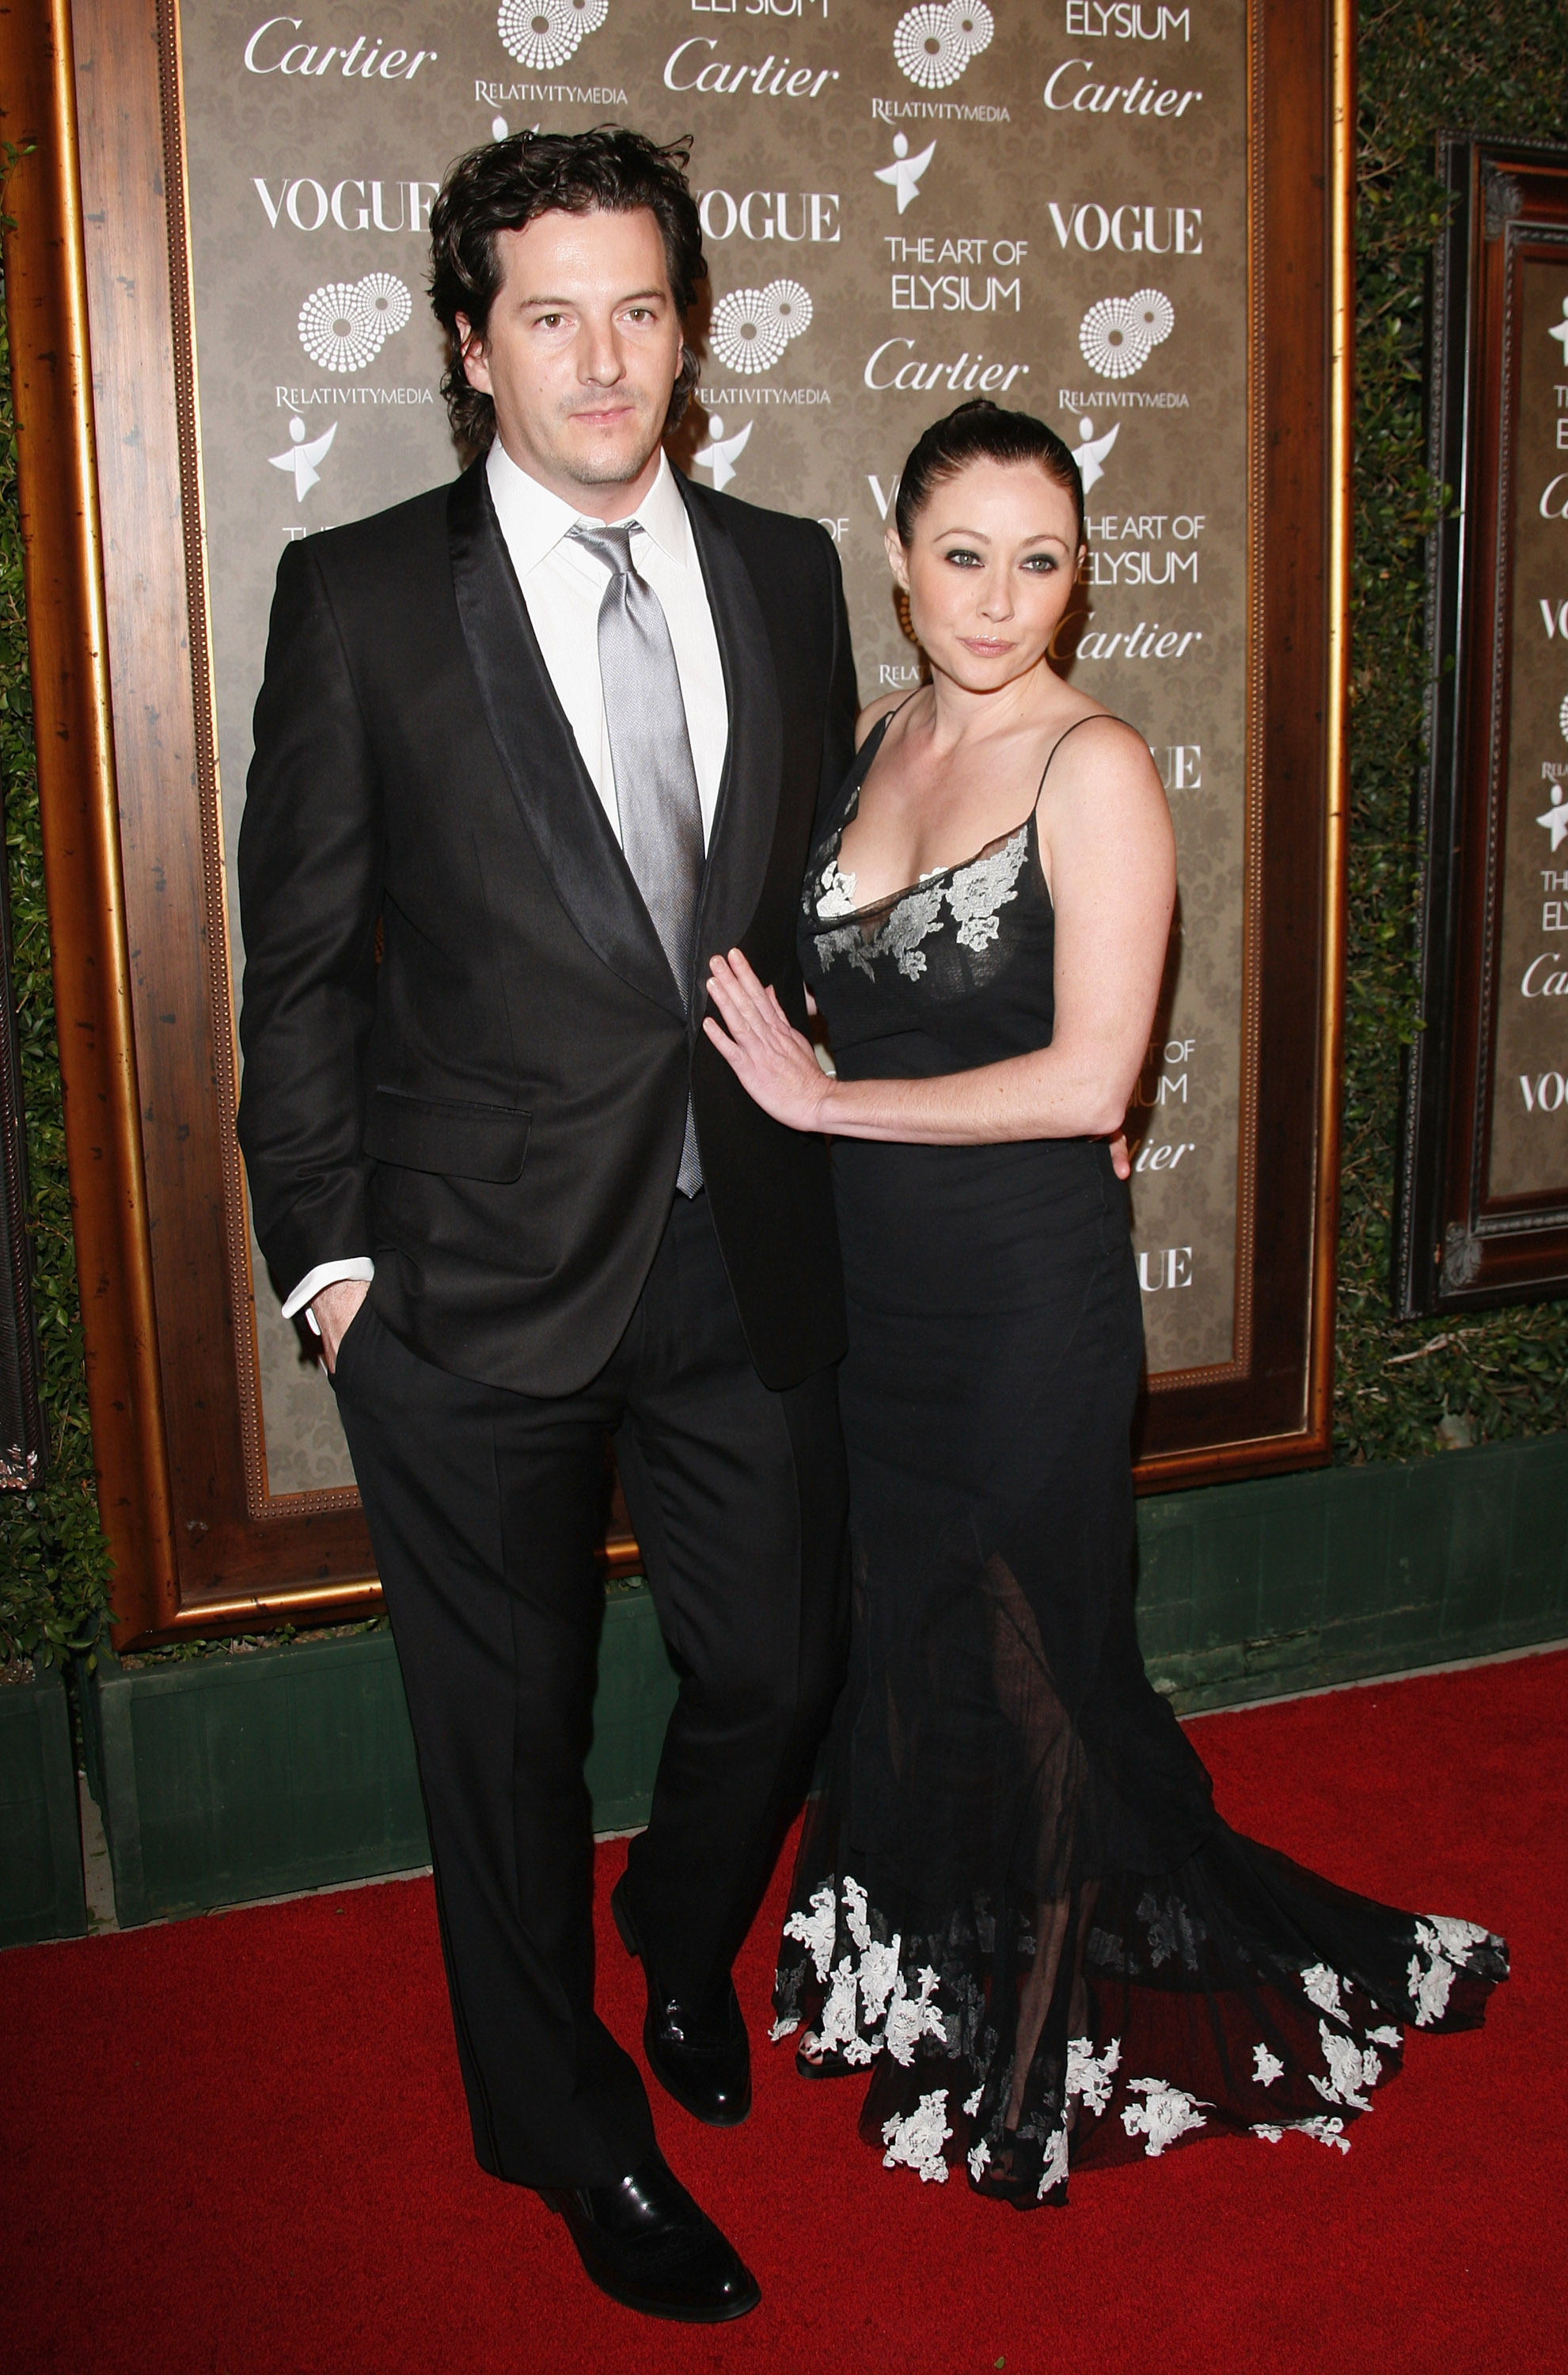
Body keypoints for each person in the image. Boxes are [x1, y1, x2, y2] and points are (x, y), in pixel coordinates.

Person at [703, 400, 1508, 2204]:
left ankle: (1047, 2012)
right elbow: (866, 1003)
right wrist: (802, 1075)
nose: (1000, 600)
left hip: (1018, 1300)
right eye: (965, 555)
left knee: (1042, 1658)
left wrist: (826, 1100)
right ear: (897, 556)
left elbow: (1087, 1081)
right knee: (901, 1635)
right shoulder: (861, 740)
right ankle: (931, 1955)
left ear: (1084, 574)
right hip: (871, 1293)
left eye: (1042, 559)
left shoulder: (1098, 767)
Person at [236, 127, 856, 2320]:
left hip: (734, 1251)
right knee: (493, 1748)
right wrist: (328, 1273)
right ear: (466, 345)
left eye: (642, 311)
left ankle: (679, 1941)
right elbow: (297, 966)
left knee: (777, 1661)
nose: (602, 362)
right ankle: (562, 2130)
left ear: (688, 332)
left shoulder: (786, 570)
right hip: (465, 1284)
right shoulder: (364, 597)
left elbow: (777, 920)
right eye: (549, 316)